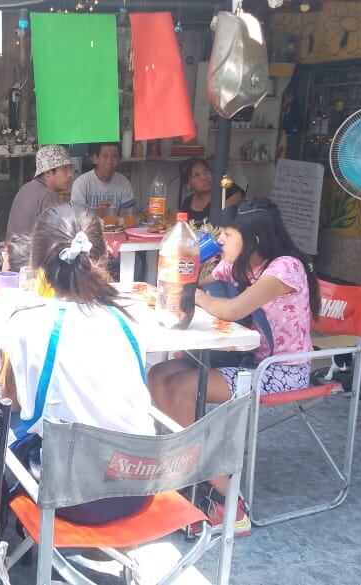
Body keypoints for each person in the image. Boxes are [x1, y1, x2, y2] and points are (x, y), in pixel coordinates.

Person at [148, 197, 319, 537]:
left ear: (254, 240)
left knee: (182, 388)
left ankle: (227, 498)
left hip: (282, 371)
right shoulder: (240, 265)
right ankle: (193, 472)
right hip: (252, 361)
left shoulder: (284, 269)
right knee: (158, 375)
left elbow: (230, 308)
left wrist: (195, 295)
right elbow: (190, 278)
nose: (222, 239)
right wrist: (198, 253)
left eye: (227, 234)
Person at [4, 204, 155, 525]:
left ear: (38, 266)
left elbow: (14, 401)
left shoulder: (27, 323)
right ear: (101, 257)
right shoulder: (132, 314)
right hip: (139, 487)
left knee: (4, 425)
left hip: (69, 496)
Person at [6, 145, 72, 238]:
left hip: (14, 251)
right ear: (48, 172)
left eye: (70, 168)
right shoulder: (48, 195)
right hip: (30, 252)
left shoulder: (25, 188)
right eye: (65, 168)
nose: (70, 174)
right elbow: (57, 237)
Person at [177, 158, 245, 224]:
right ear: (188, 184)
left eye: (206, 171)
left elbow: (222, 221)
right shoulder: (187, 203)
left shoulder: (228, 190)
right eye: (197, 175)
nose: (204, 177)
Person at [69, 142, 134, 210]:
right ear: (95, 159)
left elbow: (127, 215)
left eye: (114, 157)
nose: (109, 162)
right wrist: (97, 215)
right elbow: (78, 218)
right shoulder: (81, 183)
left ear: (120, 160)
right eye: (105, 157)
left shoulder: (124, 183)